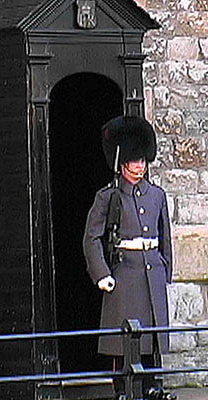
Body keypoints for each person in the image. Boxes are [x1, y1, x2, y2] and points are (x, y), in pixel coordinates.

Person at [83, 116, 176, 400]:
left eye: (142, 160)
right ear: (122, 163)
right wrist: (102, 274)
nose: (139, 166)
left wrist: (165, 272)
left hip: (152, 274)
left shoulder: (156, 195)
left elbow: (164, 237)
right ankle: (123, 389)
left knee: (152, 339)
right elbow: (92, 238)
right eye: (134, 161)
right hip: (124, 275)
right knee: (123, 343)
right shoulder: (109, 197)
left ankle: (154, 387)